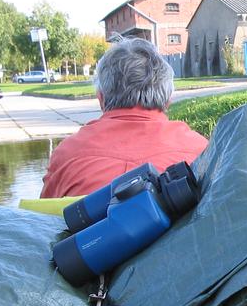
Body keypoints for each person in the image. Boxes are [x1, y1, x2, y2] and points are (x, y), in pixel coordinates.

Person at [41, 37, 208, 198]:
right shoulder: (203, 151)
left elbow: (42, 222)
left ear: (101, 99)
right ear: (168, 101)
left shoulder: (67, 154)